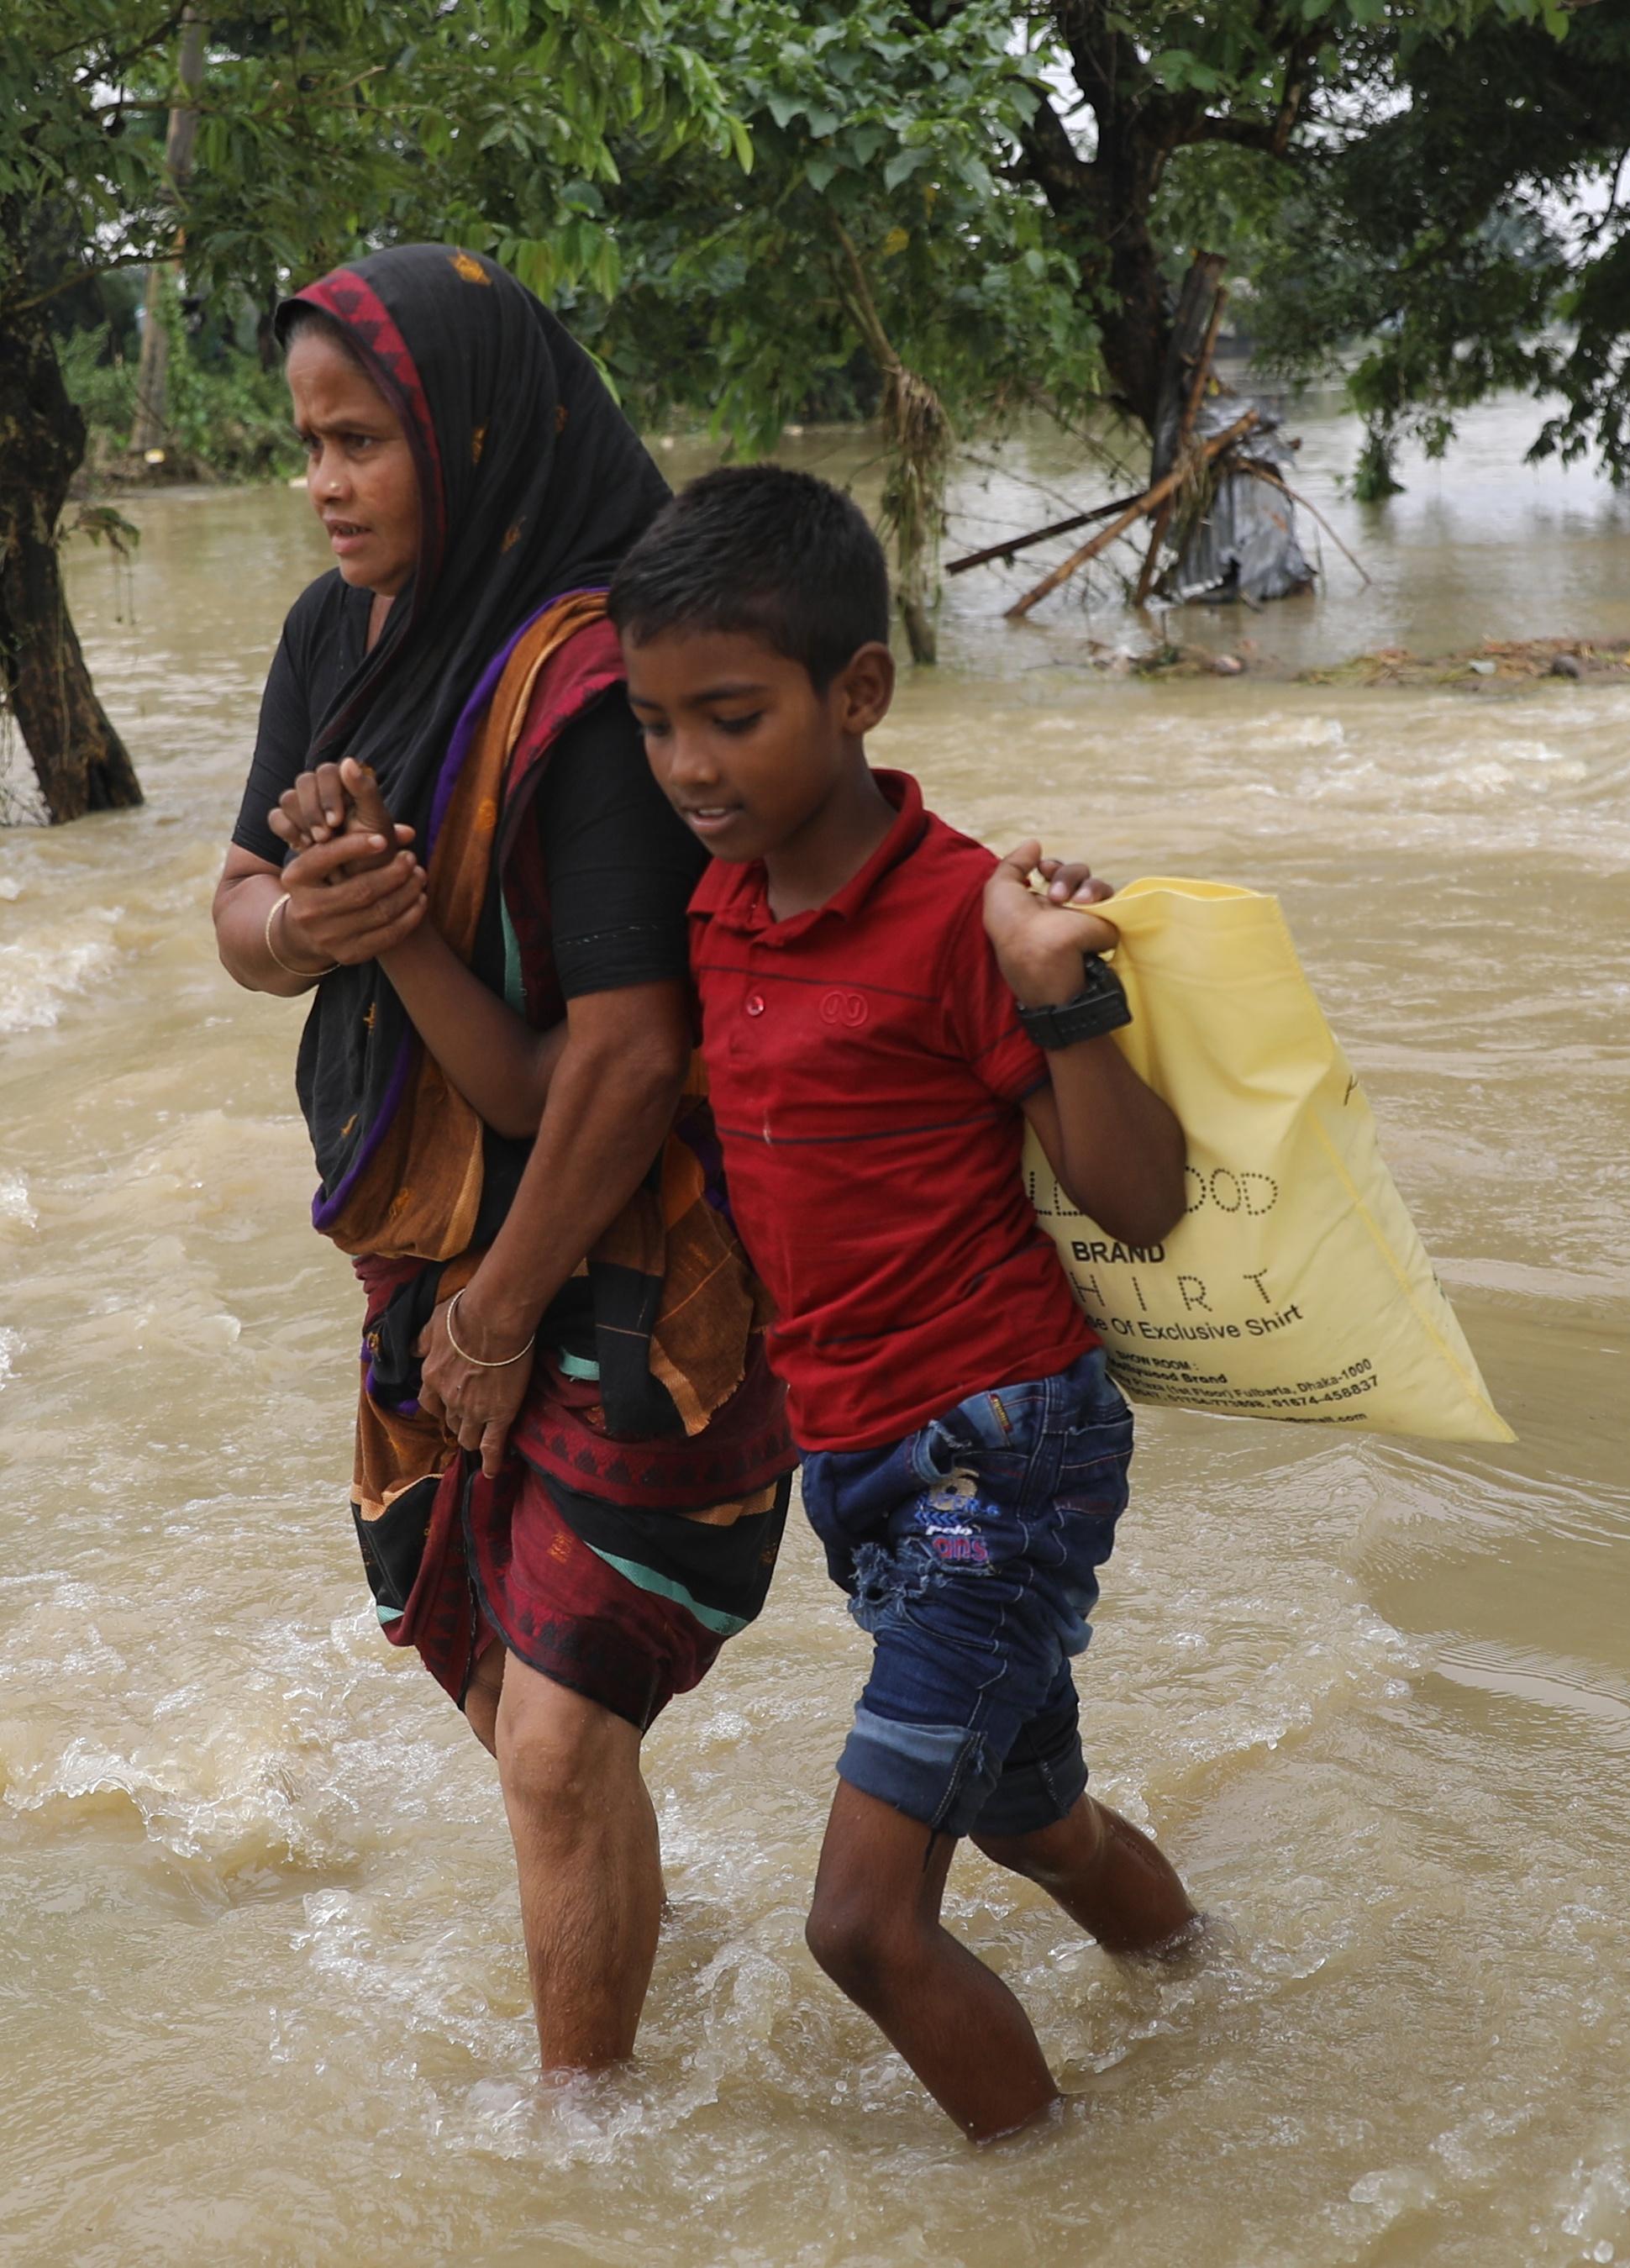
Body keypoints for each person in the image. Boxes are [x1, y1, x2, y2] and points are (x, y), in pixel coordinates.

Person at [206, 246, 794, 2075]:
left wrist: (499, 1310)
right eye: (307, 444)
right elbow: (230, 909)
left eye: (363, 440)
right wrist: (318, 923)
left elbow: (623, 1058)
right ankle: (638, 1969)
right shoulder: (337, 633)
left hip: (624, 1256)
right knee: (502, 1693)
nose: (326, 484)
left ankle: (586, 2154)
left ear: (467, 430)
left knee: (551, 1736)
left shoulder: (602, 674)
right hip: (428, 1245)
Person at [609, 467, 1200, 2140]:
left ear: (857, 690)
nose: (688, 768)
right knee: (1035, 1820)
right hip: (855, 1462)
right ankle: (1213, 1983)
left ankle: (1070, 2200)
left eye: (728, 717)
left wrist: (1058, 989)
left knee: (862, 1921)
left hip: (999, 1447)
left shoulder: (965, 913)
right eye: (655, 726)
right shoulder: (717, 908)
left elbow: (1140, 1202)